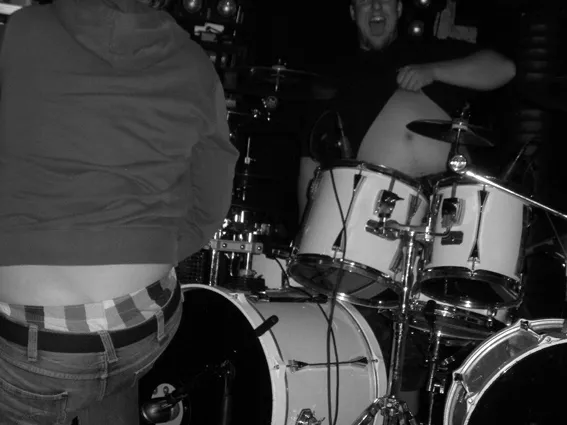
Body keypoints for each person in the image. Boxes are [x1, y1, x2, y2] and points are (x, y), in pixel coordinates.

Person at [0, 0, 238, 424]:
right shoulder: (194, 62)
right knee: (106, 366)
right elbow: (211, 201)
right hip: (145, 323)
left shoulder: (24, 29)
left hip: (37, 345)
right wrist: (148, 250)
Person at [296, 0, 516, 415]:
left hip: (445, 221)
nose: (376, 7)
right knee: (372, 340)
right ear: (352, 10)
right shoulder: (335, 73)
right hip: (371, 223)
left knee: (427, 343)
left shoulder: (432, 50)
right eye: (366, 0)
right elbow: (312, 165)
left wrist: (434, 71)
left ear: (399, 8)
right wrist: (309, 243)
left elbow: (503, 68)